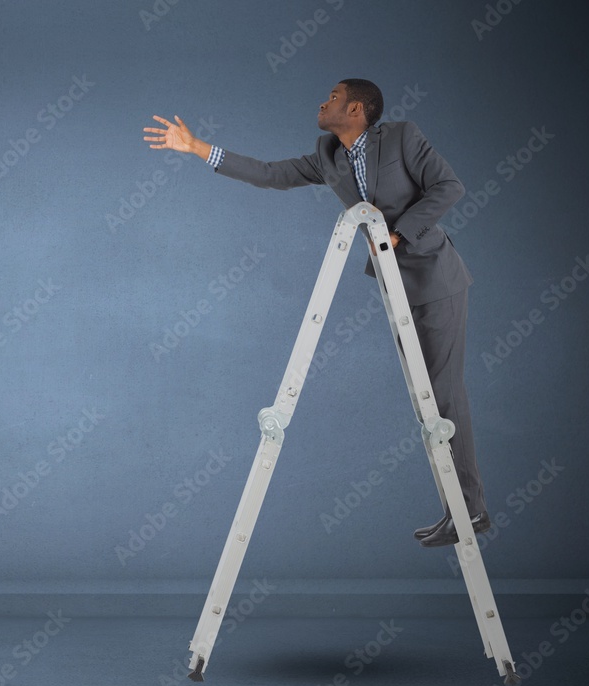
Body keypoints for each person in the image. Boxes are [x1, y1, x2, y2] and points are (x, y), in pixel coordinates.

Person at [143, 79, 487, 548]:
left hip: (436, 279)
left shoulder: (403, 137)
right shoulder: (329, 154)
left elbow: (449, 186)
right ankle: (458, 511)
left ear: (357, 109)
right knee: (426, 402)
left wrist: (397, 232)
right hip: (396, 286)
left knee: (443, 396)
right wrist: (198, 147)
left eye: (333, 96)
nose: (323, 102)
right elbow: (270, 173)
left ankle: (470, 511)